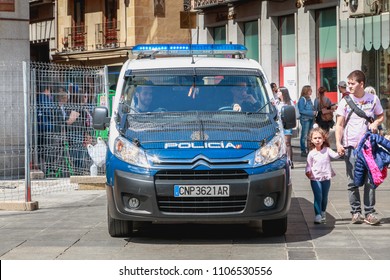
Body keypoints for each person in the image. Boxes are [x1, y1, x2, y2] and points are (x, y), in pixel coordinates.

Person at [335, 70, 384, 226]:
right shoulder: (345, 101)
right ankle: (356, 212)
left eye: (352, 83)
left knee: (371, 180)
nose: (349, 86)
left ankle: (369, 212)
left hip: (369, 146)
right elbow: (340, 124)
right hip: (351, 146)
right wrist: (338, 143)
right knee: (353, 181)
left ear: (361, 84)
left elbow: (381, 115)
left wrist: (376, 123)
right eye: (348, 83)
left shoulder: (373, 99)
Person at [305, 127, 340, 224]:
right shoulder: (311, 154)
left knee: (324, 197)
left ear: (323, 139)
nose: (317, 140)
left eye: (319, 138)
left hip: (326, 177)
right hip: (315, 178)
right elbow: (308, 165)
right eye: (315, 138)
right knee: (318, 196)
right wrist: (308, 172)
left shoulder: (327, 150)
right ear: (311, 140)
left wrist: (340, 152)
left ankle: (323, 212)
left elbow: (335, 155)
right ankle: (317, 215)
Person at [276, 87, 294, 168]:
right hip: (278, 125)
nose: (277, 93)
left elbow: (294, 113)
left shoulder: (290, 102)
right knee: (278, 143)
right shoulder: (276, 102)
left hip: (287, 125)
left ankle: (290, 160)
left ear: (283, 93)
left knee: (287, 143)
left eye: (279, 91)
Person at [297, 85, 316, 157]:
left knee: (310, 135)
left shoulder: (309, 99)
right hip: (305, 119)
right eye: (310, 90)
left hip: (311, 119)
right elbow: (301, 110)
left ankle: (310, 150)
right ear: (306, 91)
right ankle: (303, 150)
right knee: (304, 136)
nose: (311, 91)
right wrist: (312, 112)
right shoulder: (302, 99)